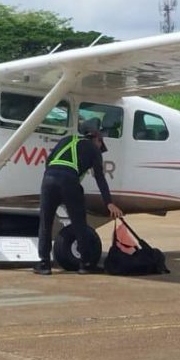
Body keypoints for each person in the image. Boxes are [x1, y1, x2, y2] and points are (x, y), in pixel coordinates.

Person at [35, 118, 123, 275]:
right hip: (69, 180)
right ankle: (86, 264)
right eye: (100, 143)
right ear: (97, 138)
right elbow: (100, 178)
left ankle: (44, 264)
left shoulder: (66, 140)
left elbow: (48, 162)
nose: (100, 146)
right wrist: (109, 203)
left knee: (45, 222)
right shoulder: (94, 149)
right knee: (79, 223)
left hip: (48, 180)